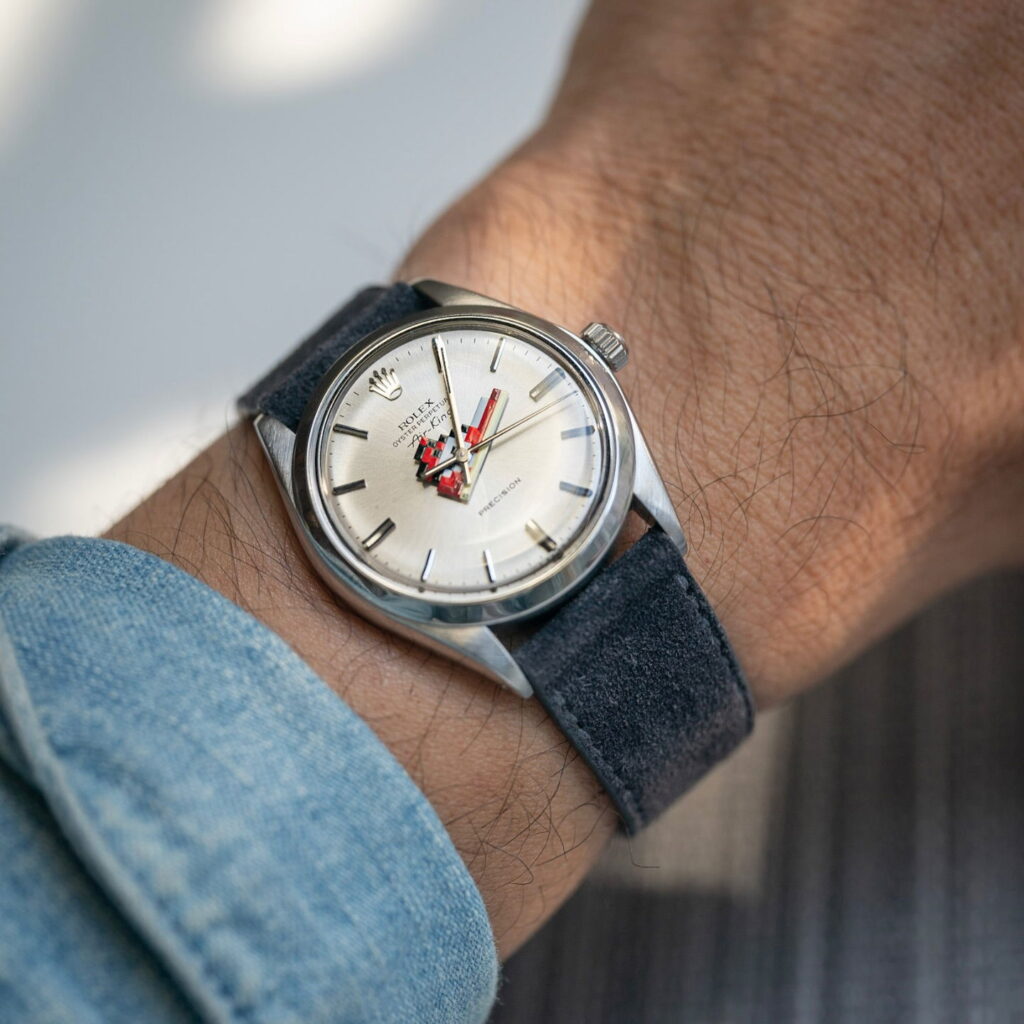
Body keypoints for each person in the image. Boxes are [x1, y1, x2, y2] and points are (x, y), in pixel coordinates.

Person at [2, 0, 1022, 1020]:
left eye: (466, 441)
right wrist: (675, 276)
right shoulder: (333, 439)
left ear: (597, 359)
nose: (456, 457)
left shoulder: (594, 483)